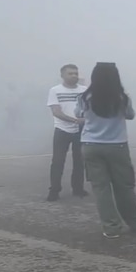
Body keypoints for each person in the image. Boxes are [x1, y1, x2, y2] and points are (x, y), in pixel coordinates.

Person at [75, 62, 136, 238]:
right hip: (117, 145)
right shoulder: (122, 97)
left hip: (91, 145)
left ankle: (111, 227)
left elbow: (78, 114)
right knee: (124, 186)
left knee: (101, 188)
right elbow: (130, 115)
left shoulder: (84, 97)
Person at [46, 64, 88, 202]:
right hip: (62, 130)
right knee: (58, 161)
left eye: (76, 73)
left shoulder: (84, 91)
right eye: (70, 73)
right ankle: (54, 190)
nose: (74, 76)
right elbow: (56, 111)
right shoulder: (55, 90)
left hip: (80, 131)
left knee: (79, 161)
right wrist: (75, 120)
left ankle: (78, 188)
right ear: (62, 75)